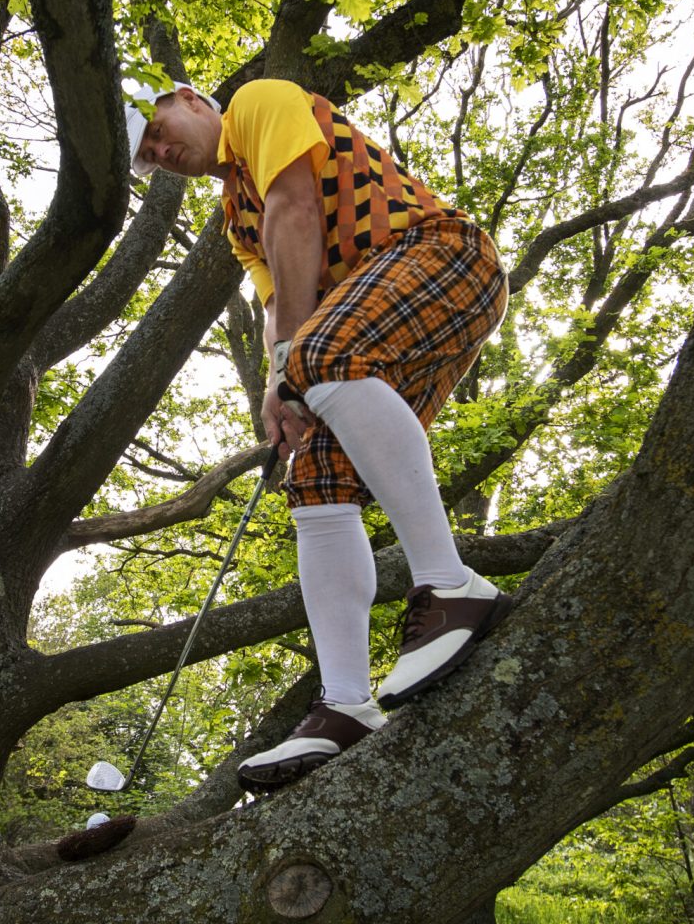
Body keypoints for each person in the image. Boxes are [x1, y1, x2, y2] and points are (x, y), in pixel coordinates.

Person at [126, 77, 512, 791]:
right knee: (313, 480)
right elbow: (278, 302)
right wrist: (278, 390)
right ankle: (347, 706)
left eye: (156, 129)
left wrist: (292, 363)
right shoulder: (235, 217)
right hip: (376, 324)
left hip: (444, 258)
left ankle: (451, 584)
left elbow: (297, 209)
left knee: (321, 353)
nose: (161, 150)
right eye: (149, 155)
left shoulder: (258, 103)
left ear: (188, 98)